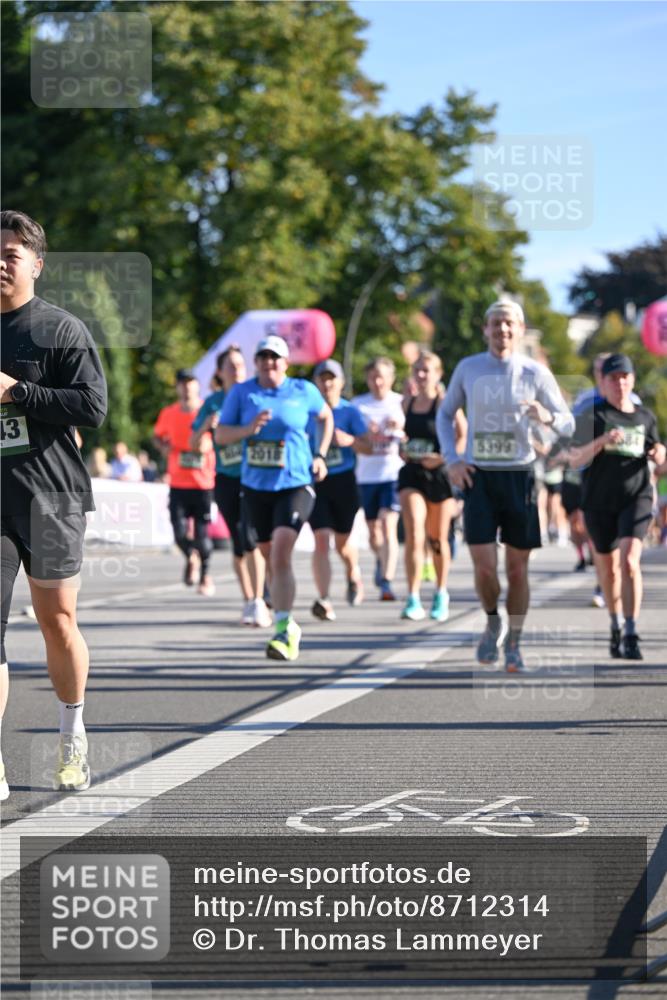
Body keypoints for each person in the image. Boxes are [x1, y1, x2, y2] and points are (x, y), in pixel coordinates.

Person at [0, 209, 107, 797]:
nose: (0, 262)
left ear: (36, 264)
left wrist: (15, 390)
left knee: (56, 621)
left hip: (50, 498)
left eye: (11, 254)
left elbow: (90, 409)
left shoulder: (61, 329)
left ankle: (72, 735)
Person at [436, 300, 575, 672]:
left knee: (517, 570)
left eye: (509, 324)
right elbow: (445, 414)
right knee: (484, 568)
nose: (503, 330)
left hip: (520, 475)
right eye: (496, 323)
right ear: (485, 330)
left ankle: (514, 640)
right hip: (479, 475)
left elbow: (568, 424)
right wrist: (452, 460)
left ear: (520, 328)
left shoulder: (535, 372)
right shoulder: (468, 368)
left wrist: (546, 415)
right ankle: (492, 618)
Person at [216, 335, 333, 660]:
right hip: (255, 487)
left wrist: (320, 454)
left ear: (286, 362)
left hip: (295, 483)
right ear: (256, 362)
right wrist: (247, 429)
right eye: (263, 357)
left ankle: (283, 629)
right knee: (269, 557)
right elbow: (222, 434)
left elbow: (326, 417)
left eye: (275, 357)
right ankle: (287, 622)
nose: (269, 363)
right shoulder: (243, 392)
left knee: (281, 553)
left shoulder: (303, 391)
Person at [567, 354, 665, 660]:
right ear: (602, 382)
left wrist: (660, 453)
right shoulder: (592, 415)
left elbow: (657, 455)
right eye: (613, 378)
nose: (619, 383)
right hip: (598, 501)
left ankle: (632, 631)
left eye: (625, 377)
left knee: (630, 561)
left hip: (635, 496)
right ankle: (615, 623)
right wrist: (601, 442)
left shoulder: (645, 417)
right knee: (608, 572)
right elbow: (574, 459)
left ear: (632, 380)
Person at [190, 345, 271, 628]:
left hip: (255, 476)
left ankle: (260, 598)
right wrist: (206, 428)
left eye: (240, 364)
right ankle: (250, 599)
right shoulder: (212, 403)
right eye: (231, 366)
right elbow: (194, 445)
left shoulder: (255, 394)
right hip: (225, 477)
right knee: (239, 542)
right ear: (220, 372)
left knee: (252, 537)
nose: (237, 369)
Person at [398, 351, 465, 622]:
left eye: (427, 370)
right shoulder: (408, 402)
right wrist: (403, 448)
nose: (421, 375)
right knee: (414, 530)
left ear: (438, 374)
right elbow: (403, 436)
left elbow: (463, 434)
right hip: (412, 473)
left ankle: (440, 592)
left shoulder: (445, 404)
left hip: (439, 475)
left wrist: (446, 458)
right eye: (417, 370)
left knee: (437, 538)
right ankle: (413, 597)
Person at [308, 359, 370, 620]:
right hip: (316, 482)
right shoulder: (306, 412)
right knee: (321, 540)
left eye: (332, 378)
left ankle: (353, 572)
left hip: (344, 481)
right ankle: (324, 599)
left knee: (342, 543)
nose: (327, 383)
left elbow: (369, 446)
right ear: (315, 383)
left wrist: (349, 441)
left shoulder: (350, 412)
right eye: (322, 378)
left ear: (341, 383)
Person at [153, 370, 216, 596]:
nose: (186, 388)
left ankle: (206, 576)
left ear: (197, 386)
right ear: (177, 388)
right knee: (179, 533)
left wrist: (210, 444)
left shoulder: (206, 411)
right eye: (182, 384)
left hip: (203, 483)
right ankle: (191, 556)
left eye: (190, 383)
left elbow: (220, 436)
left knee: (202, 534)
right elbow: (157, 435)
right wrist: (162, 447)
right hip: (178, 482)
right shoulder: (169, 413)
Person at [352, 357, 405, 601]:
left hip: (393, 473)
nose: (378, 382)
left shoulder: (401, 403)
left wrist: (400, 431)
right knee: (374, 533)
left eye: (382, 376)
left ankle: (387, 581)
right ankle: (380, 559)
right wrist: (366, 435)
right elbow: (352, 440)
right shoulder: (358, 405)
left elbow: (412, 435)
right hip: (366, 476)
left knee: (388, 525)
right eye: (373, 377)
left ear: (391, 379)